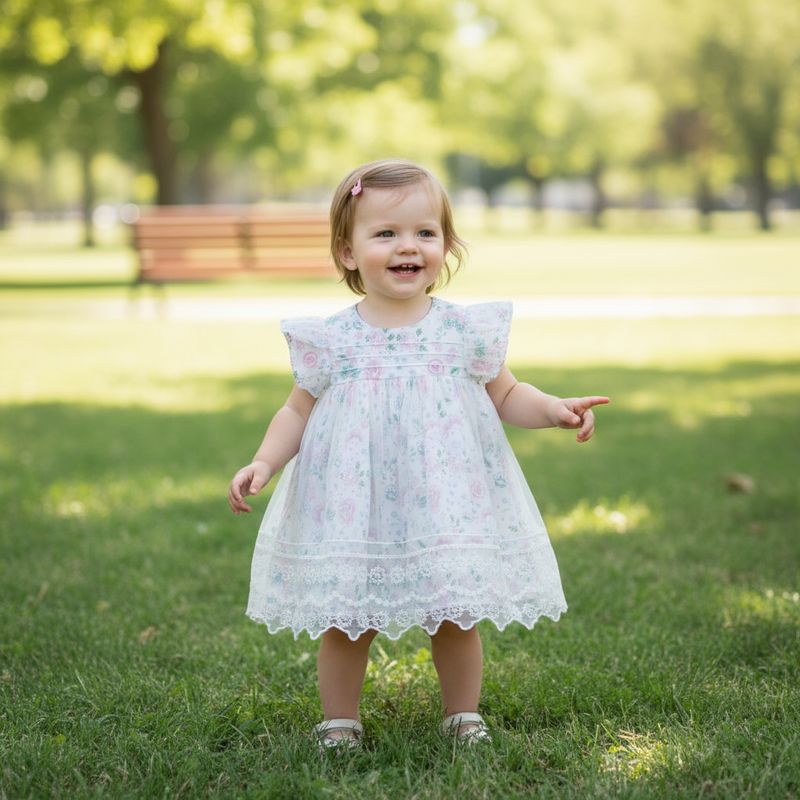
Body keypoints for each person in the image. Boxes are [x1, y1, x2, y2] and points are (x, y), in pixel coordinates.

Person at [228, 159, 609, 751]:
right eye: (386, 233)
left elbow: (506, 393)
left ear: (445, 246)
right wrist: (264, 462)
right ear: (347, 251)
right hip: (356, 505)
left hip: (445, 501)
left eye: (425, 232)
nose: (408, 246)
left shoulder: (463, 331)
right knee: (348, 617)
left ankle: (463, 714)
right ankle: (339, 721)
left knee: (455, 612)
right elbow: (297, 412)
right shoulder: (332, 339)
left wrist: (553, 409)